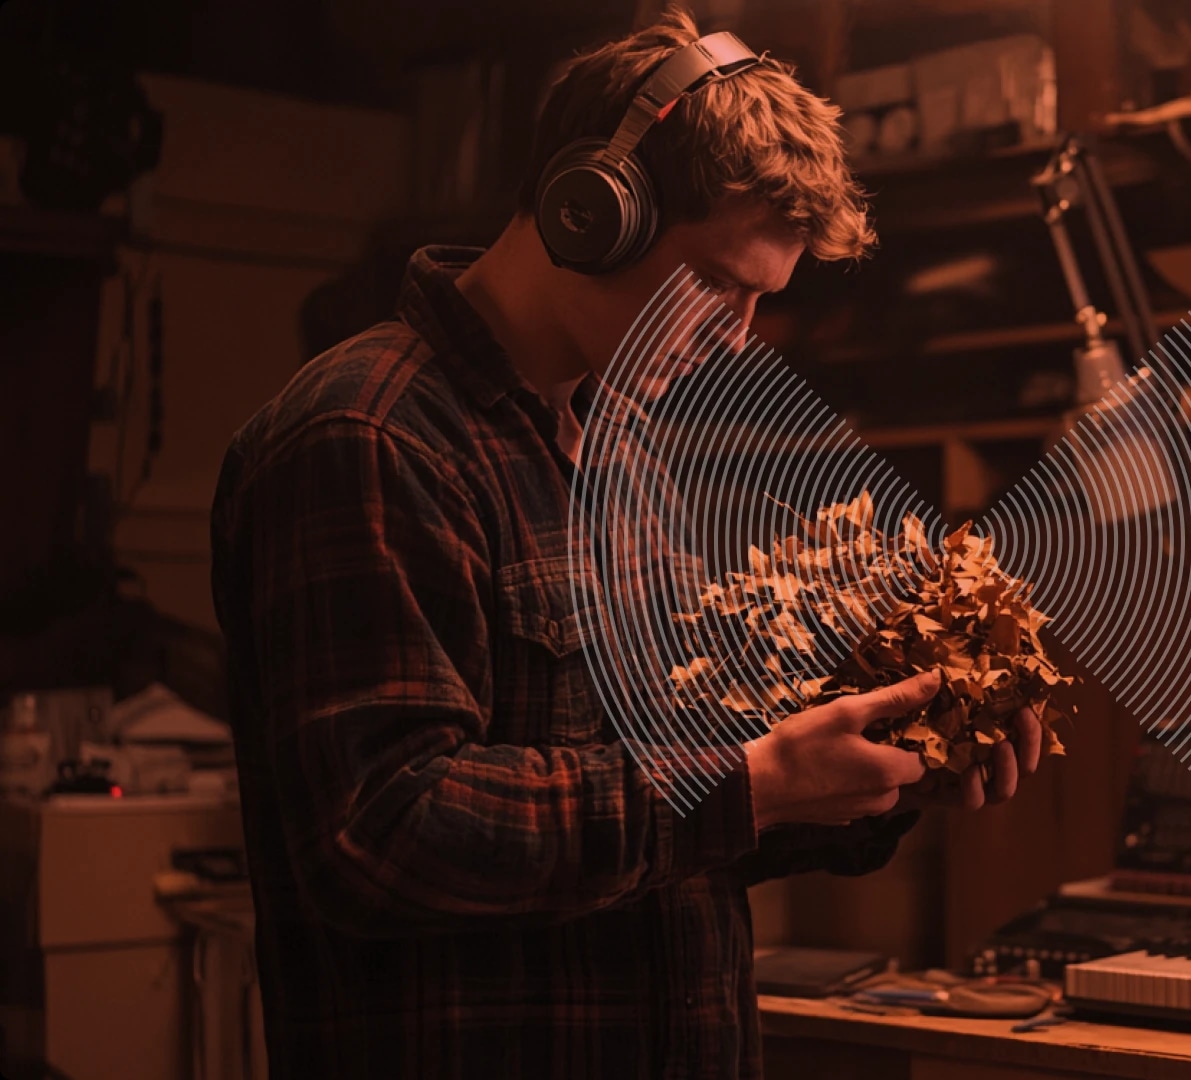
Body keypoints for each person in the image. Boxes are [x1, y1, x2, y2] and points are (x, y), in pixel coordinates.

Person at [209, 9, 1041, 1078]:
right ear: (589, 212)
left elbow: (674, 829)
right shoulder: (366, 436)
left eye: (761, 300)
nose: (736, 339)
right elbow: (382, 835)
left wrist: (876, 772)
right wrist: (745, 784)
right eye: (718, 284)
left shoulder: (625, 455)